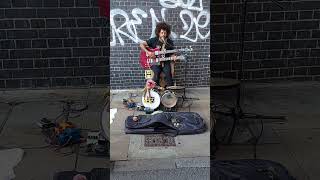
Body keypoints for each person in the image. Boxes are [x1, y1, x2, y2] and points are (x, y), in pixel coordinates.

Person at [140, 22, 177, 87]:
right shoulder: (154, 40)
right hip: (155, 62)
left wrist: (173, 57)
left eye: (165, 33)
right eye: (162, 33)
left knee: (169, 75)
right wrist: (148, 52)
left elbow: (172, 54)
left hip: (165, 61)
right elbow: (141, 44)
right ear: (158, 33)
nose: (163, 35)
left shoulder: (169, 42)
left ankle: (170, 93)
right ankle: (154, 91)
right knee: (155, 76)